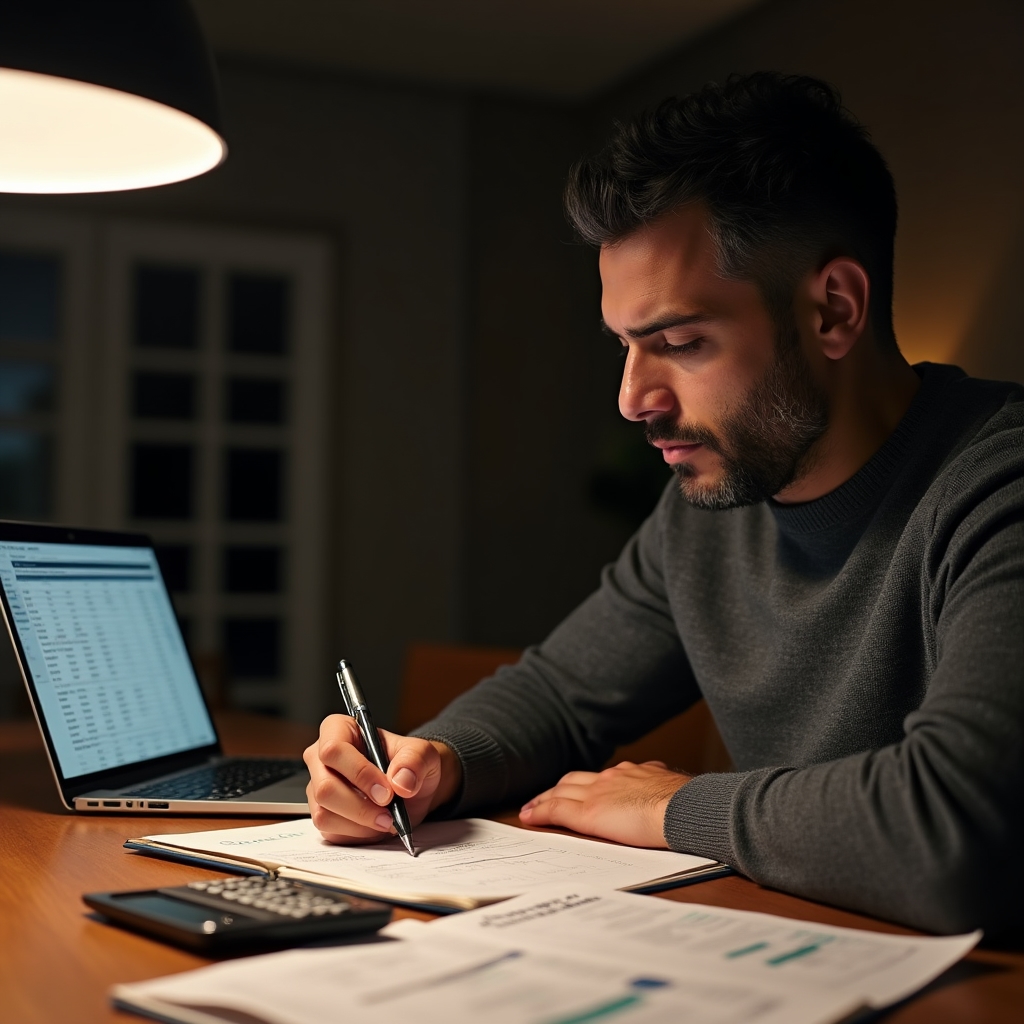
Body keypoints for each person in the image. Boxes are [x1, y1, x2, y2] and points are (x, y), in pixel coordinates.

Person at [304, 73, 1024, 936]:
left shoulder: (997, 485)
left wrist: (672, 808)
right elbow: (562, 693)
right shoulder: (711, 508)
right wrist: (432, 763)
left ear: (834, 310)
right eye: (624, 345)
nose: (632, 399)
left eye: (679, 342)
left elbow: (959, 827)